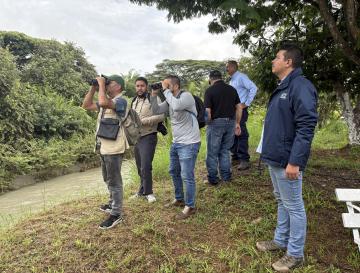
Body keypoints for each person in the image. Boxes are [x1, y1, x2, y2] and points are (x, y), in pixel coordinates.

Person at [255, 43, 318, 272]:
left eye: (276, 57)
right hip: (275, 156)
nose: (273, 61)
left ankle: (295, 253)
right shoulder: (283, 86)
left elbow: (306, 126)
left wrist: (295, 161)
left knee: (294, 205)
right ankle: (280, 240)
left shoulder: (300, 86)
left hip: (287, 159)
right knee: (281, 201)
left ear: (288, 62)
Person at [150, 75, 201, 219]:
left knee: (187, 175)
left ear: (175, 86)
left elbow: (177, 106)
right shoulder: (169, 99)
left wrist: (165, 90)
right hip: (177, 142)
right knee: (173, 171)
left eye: (166, 85)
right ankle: (179, 198)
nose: (164, 87)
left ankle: (190, 206)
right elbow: (156, 110)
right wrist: (154, 94)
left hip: (189, 143)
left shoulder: (186, 96)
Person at [82, 74, 129, 229]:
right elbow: (86, 105)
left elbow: (103, 102)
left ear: (118, 87)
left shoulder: (121, 101)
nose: (107, 85)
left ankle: (116, 214)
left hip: (114, 149)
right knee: (107, 178)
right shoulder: (106, 101)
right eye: (106, 83)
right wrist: (93, 87)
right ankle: (112, 203)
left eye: (110, 83)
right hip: (103, 147)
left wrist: (101, 85)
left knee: (115, 181)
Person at [203, 70, 243, 185]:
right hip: (231, 122)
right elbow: (239, 108)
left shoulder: (209, 90)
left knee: (212, 152)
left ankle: (213, 179)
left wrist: (207, 123)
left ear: (210, 79)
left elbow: (208, 112)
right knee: (225, 151)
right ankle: (226, 177)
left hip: (216, 123)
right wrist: (237, 123)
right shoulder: (232, 89)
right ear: (221, 77)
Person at [130, 77, 164, 203]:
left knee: (145, 165)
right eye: (137, 86)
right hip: (137, 137)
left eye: (142, 86)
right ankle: (141, 191)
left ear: (146, 86)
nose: (140, 88)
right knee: (139, 166)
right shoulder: (134, 101)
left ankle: (149, 193)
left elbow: (161, 116)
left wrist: (143, 121)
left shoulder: (153, 98)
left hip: (149, 135)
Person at [226, 60, 257, 170]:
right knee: (234, 132)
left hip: (241, 109)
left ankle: (244, 159)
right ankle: (235, 157)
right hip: (234, 110)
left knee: (241, 132)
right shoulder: (232, 80)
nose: (226, 69)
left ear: (233, 67)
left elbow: (253, 88)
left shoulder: (241, 77)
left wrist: (246, 103)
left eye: (228, 67)